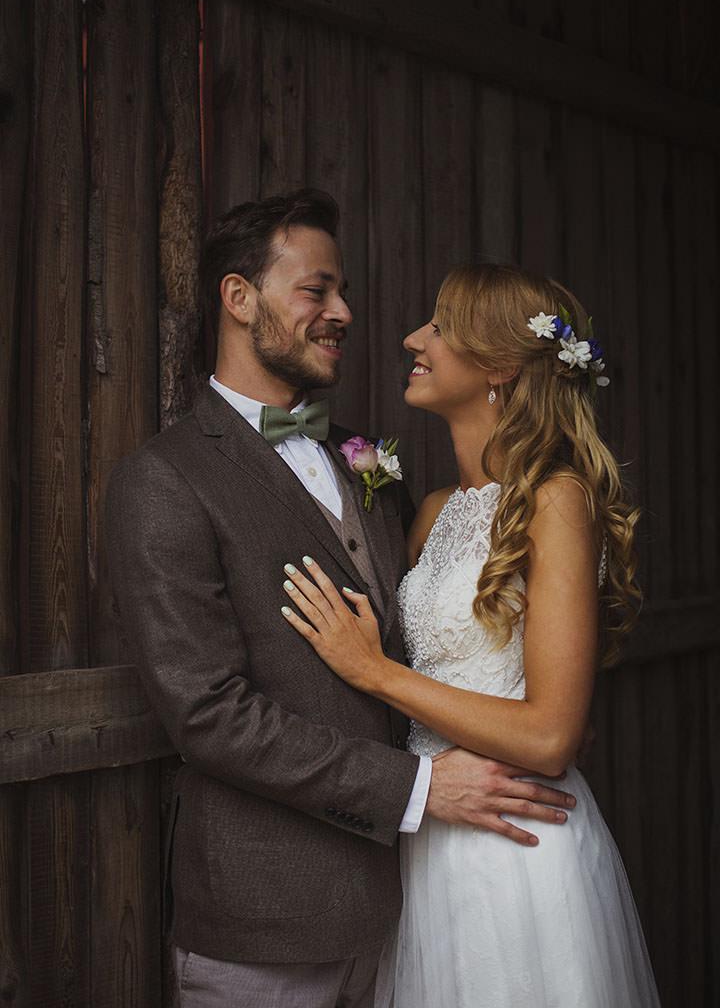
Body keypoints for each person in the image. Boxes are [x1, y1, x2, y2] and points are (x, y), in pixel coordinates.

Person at [105, 197, 576, 1008]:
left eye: (343, 290)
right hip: (269, 925)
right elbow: (209, 713)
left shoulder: (357, 458)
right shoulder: (166, 479)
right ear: (239, 297)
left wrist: (544, 708)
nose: (345, 313)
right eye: (316, 291)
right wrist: (422, 790)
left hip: (411, 910)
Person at [280, 262, 661, 1006]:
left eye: (441, 327)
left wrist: (376, 671)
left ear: (502, 368)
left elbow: (552, 736)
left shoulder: (556, 501)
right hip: (422, 840)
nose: (412, 337)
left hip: (512, 852)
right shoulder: (429, 511)